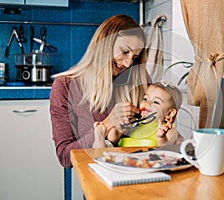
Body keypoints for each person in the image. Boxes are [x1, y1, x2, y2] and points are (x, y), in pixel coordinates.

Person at [50, 14, 150, 168]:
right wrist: (108, 123)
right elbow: (65, 157)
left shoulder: (139, 79)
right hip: (97, 177)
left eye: (135, 57)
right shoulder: (65, 86)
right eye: (125, 51)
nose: (129, 63)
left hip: (143, 170)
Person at [102, 81, 184, 147]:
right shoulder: (133, 124)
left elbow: (166, 150)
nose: (147, 103)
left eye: (155, 102)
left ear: (170, 113)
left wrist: (161, 137)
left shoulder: (169, 131)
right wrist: (118, 129)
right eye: (145, 99)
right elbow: (112, 139)